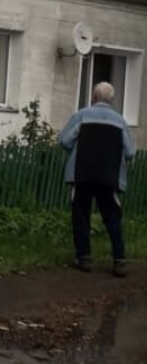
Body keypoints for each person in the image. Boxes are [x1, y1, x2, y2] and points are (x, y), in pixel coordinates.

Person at [58, 81, 135, 277]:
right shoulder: (120, 121)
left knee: (81, 215)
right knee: (112, 217)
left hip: (82, 174)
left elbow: (65, 141)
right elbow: (130, 152)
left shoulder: (81, 115)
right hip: (109, 176)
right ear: (112, 100)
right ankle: (119, 261)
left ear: (94, 97)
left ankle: (84, 258)